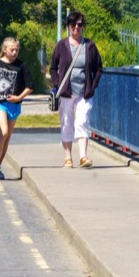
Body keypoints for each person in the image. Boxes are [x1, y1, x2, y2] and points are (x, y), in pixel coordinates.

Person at [48, 9, 103, 168]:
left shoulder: (90, 45)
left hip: (84, 92)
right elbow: (53, 67)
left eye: (79, 25)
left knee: (82, 121)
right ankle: (67, 157)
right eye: (73, 25)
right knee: (66, 123)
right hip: (66, 92)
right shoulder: (61, 45)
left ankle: (83, 157)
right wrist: (58, 83)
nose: (76, 28)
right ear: (68, 26)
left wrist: (92, 86)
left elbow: (98, 68)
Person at [0, 37, 32, 180]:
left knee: (7, 137)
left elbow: (29, 87)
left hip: (14, 104)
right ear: (4, 49)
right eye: (12, 49)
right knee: (4, 131)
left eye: (17, 50)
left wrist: (19, 97)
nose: (15, 52)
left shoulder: (22, 65)